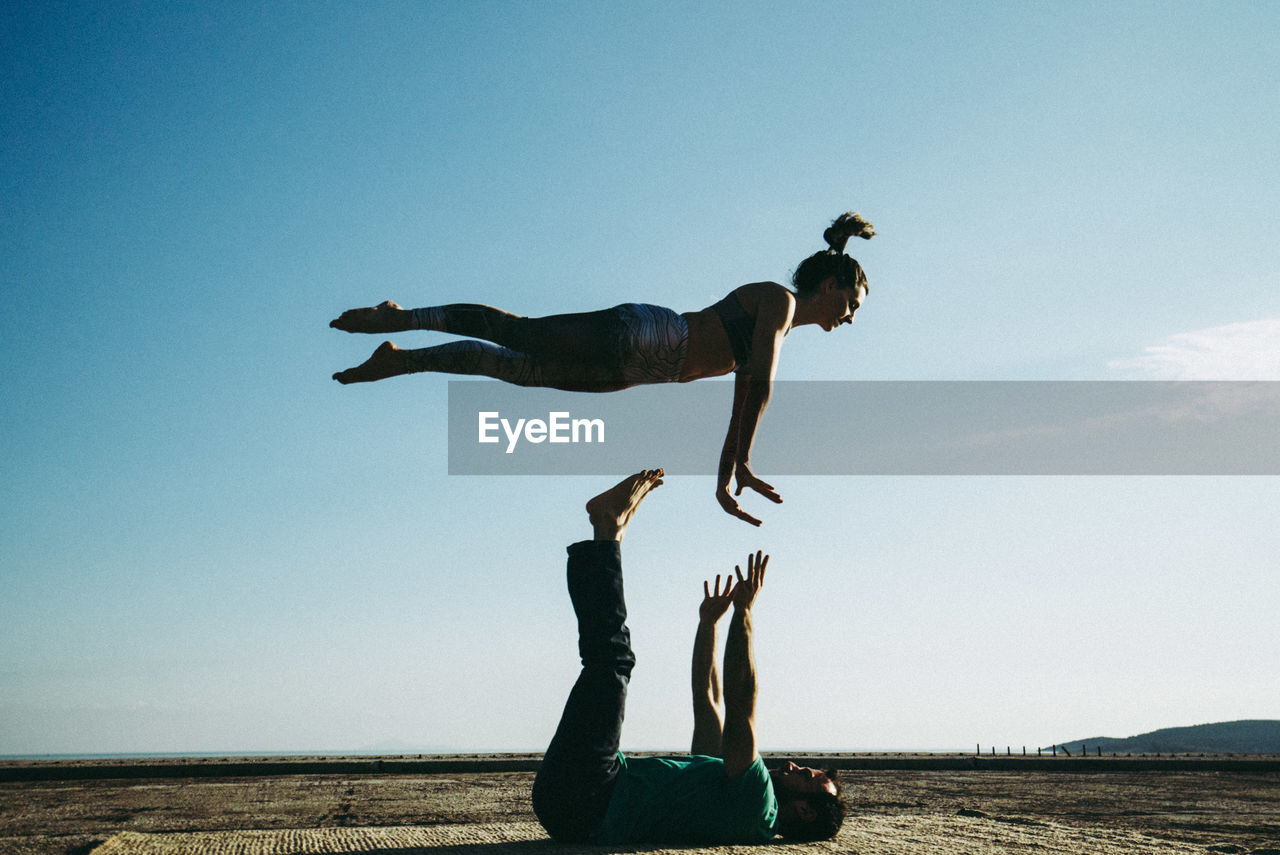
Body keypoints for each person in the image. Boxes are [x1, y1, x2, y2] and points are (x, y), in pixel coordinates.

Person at [330, 212, 875, 526]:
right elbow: (758, 389)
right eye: (852, 303)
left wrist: (727, 475)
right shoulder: (778, 302)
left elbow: (741, 404)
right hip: (650, 334)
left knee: (520, 371)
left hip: (643, 370)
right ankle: (402, 317)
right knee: (522, 333)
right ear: (830, 286)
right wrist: (742, 465)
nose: (850, 317)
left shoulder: (771, 331)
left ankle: (401, 363)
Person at [529, 469, 845, 844]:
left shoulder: (759, 802)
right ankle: (607, 533)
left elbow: (741, 701)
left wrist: (745, 611)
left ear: (804, 811)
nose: (794, 766)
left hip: (592, 794)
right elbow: (707, 697)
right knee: (610, 660)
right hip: (572, 806)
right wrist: (708, 624)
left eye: (806, 776)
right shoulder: (728, 789)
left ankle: (608, 529)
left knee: (614, 661)